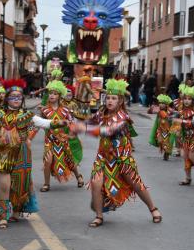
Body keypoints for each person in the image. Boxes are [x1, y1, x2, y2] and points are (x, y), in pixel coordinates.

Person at [69, 78, 161, 227]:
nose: (110, 101)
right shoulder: (101, 113)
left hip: (122, 158)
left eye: (114, 98)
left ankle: (153, 208)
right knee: (96, 182)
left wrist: (84, 129)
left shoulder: (123, 117)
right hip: (103, 157)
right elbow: (90, 122)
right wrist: (76, 126)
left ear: (120, 101)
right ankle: (99, 216)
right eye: (108, 98)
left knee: (136, 183)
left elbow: (109, 130)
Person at [0, 79, 62, 229]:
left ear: (22, 99)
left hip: (21, 153)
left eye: (19, 97)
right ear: (7, 98)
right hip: (1, 154)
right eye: (13, 96)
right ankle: (2, 217)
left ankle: (16, 211)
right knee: (5, 186)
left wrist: (63, 122)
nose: (16, 99)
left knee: (20, 185)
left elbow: (45, 123)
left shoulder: (27, 115)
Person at [39, 79, 84, 191]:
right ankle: (46, 184)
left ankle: (78, 176)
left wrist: (72, 135)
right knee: (48, 160)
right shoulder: (44, 110)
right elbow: (40, 123)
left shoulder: (65, 110)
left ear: (59, 96)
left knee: (69, 159)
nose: (52, 95)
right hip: (49, 139)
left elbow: (71, 124)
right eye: (50, 93)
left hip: (62, 139)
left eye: (55, 93)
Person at [148, 94, 174, 160]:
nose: (161, 105)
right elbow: (150, 112)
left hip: (167, 131)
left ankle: (166, 153)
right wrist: (151, 108)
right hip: (160, 130)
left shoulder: (170, 111)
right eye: (160, 103)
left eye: (163, 103)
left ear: (166, 104)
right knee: (160, 141)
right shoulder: (158, 111)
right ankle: (165, 150)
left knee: (166, 142)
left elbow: (174, 117)